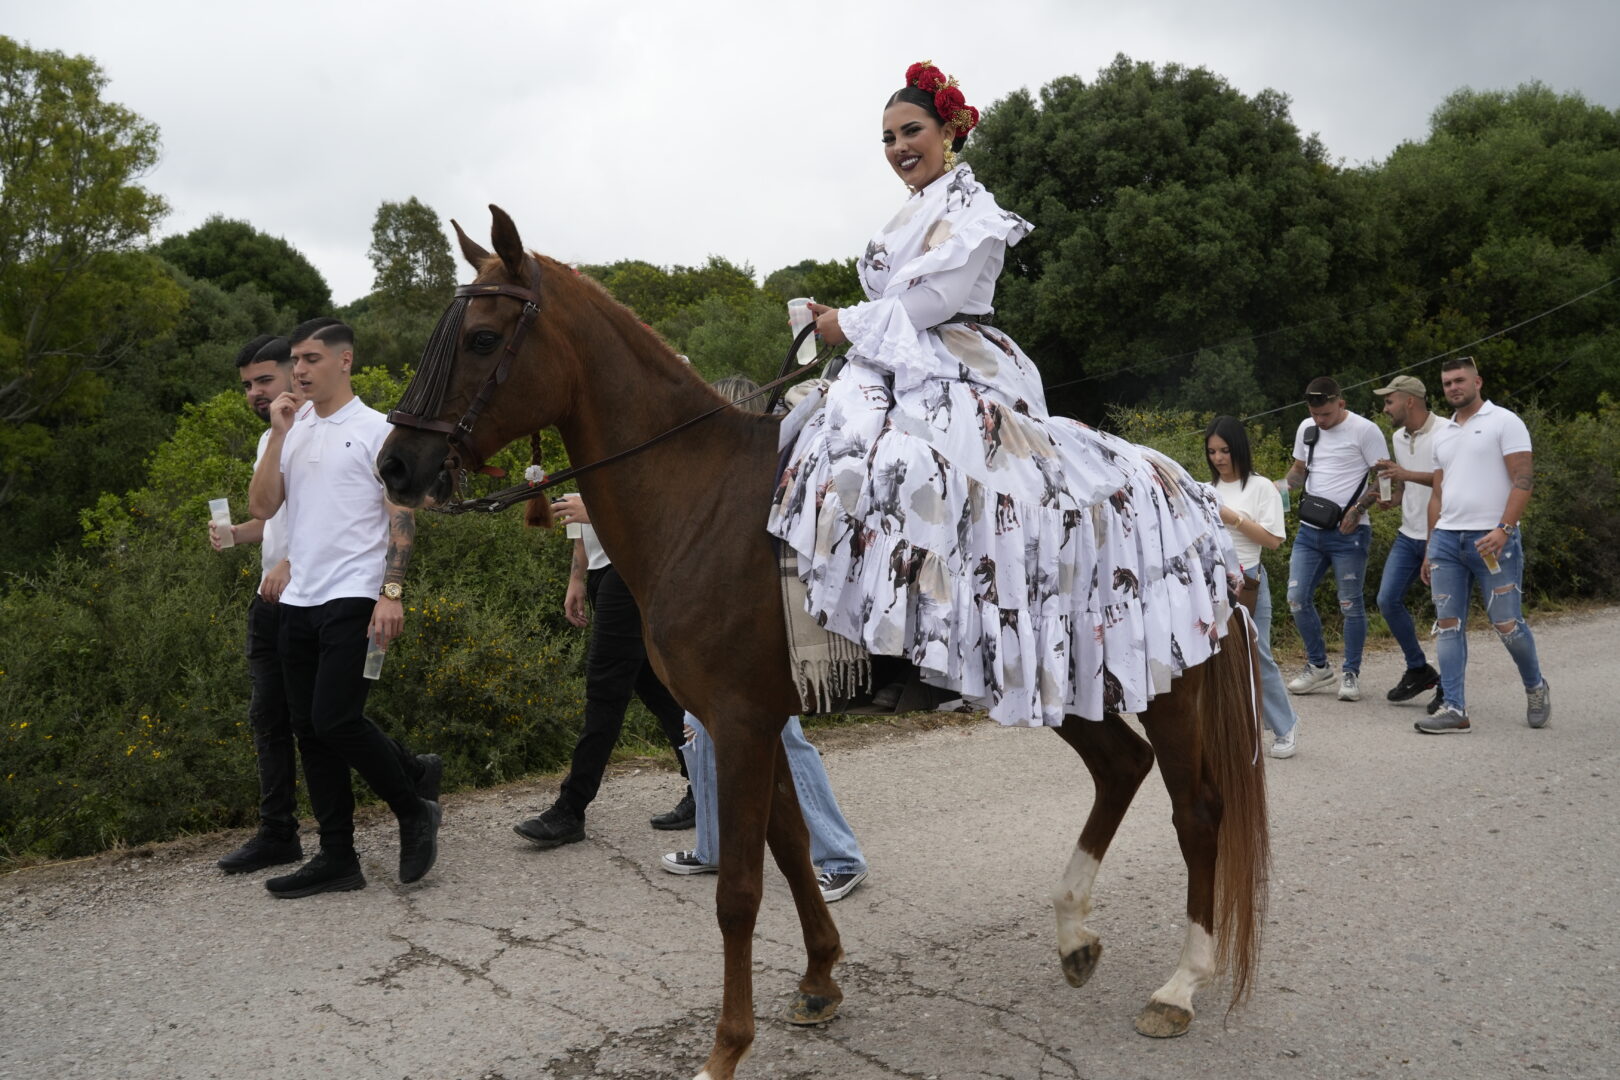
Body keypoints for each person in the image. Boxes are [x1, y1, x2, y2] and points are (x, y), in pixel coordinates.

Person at [767, 62, 1238, 728]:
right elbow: (901, 302)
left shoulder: (973, 207)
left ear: (948, 132)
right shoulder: (914, 208)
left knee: (919, 464)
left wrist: (849, 322)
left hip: (957, 358)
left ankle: (943, 656)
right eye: (889, 138)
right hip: (895, 355)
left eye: (911, 131)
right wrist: (843, 321)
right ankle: (871, 635)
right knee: (819, 442)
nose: (899, 147)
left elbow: (940, 299)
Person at [248, 318, 442, 897]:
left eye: (311, 359)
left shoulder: (378, 430)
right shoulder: (292, 428)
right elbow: (263, 507)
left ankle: (413, 808)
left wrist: (391, 593)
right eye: (296, 361)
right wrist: (279, 435)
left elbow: (402, 517)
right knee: (310, 731)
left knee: (336, 719)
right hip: (298, 598)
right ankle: (338, 856)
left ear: (345, 360)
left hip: (354, 595)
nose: (300, 370)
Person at [661, 374, 869, 901]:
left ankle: (840, 857)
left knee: (784, 739)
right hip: (721, 632)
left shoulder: (770, 469)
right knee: (698, 727)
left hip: (765, 631)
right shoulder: (717, 473)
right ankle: (713, 846)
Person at [513, 495, 693, 849]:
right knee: (653, 686)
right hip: (602, 573)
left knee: (604, 691)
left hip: (630, 571)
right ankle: (706, 785)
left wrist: (596, 511)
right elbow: (582, 511)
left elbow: (658, 510)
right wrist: (577, 578)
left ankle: (570, 809)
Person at [1416, 357, 1551, 733]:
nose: (1453, 387)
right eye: (1447, 383)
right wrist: (1430, 545)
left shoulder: (1505, 421)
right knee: (1448, 624)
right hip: (1446, 541)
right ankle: (1454, 708)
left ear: (1478, 382)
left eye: (1460, 380)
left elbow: (1523, 480)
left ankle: (1535, 686)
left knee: (1507, 624)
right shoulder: (1443, 433)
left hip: (1492, 540)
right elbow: (1438, 494)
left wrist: (1505, 528)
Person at [212, 335, 303, 873]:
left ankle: (411, 775)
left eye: (265, 380)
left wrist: (292, 562)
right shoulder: (271, 438)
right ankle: (277, 833)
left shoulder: (318, 431)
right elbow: (272, 519)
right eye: (247, 385)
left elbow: (341, 520)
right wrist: (236, 535)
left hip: (312, 595)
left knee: (324, 718)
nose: (255, 392)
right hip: (268, 600)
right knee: (268, 716)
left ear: (296, 372)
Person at [1276, 377, 1389, 702]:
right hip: (1309, 530)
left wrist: (1359, 510)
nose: (1320, 421)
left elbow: (1384, 477)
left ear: (1341, 403)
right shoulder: (1307, 428)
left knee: (1350, 603)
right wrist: (1276, 491)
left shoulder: (1365, 430)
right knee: (1296, 598)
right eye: (1315, 414)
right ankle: (1318, 666)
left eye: (1325, 414)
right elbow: (1299, 471)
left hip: (1349, 533)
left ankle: (1351, 673)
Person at [1204, 417, 1300, 759]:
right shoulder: (1206, 488)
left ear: (1239, 449)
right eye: (1212, 451)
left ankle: (1285, 726)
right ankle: (1229, 731)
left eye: (1225, 450)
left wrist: (1232, 517)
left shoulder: (1261, 487)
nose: (1218, 458)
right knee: (1214, 657)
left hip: (1248, 577)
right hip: (1212, 578)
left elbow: (1273, 540)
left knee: (1256, 655)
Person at [1372, 375, 1442, 708]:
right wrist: (1394, 498)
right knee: (1387, 600)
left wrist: (1405, 474)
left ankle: (1450, 689)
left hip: (1441, 534)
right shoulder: (1397, 437)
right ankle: (1419, 669)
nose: (1385, 408)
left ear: (1409, 401)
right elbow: (1406, 486)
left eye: (1390, 401)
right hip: (1408, 533)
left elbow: (1446, 481)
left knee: (1447, 612)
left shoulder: (1446, 432)